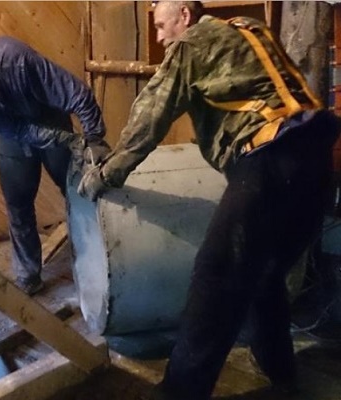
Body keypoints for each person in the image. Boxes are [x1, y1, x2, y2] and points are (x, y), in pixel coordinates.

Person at [77, 1, 340, 399]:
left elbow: (151, 115)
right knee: (265, 275)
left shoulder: (192, 43)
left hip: (268, 160)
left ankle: (178, 393)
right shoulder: (249, 27)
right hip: (317, 160)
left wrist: (105, 175)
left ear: (185, 15)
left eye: (162, 26)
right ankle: (282, 374)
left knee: (216, 277)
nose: (161, 37)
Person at [0, 36, 110, 295]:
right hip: (13, 134)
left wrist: (94, 139)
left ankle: (95, 263)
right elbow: (18, 130)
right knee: (17, 204)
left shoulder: (15, 60)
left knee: (79, 194)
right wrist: (62, 140)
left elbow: (79, 95)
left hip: (50, 116)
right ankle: (28, 276)